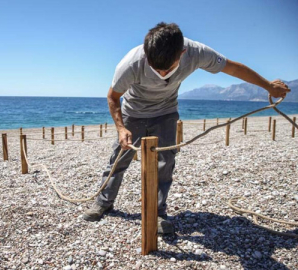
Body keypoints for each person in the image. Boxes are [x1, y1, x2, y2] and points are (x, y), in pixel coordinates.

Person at [82, 22, 290, 235]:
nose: (163, 73)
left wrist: (269, 86)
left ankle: (158, 213)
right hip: (133, 113)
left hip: (166, 112)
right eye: (156, 68)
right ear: (146, 54)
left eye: (168, 68)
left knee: (165, 162)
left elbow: (233, 68)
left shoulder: (197, 53)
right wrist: (120, 128)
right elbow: (113, 97)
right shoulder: (130, 63)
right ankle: (104, 202)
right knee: (118, 159)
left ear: (182, 53)